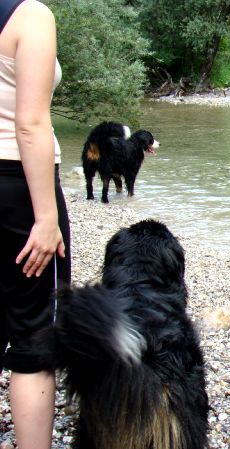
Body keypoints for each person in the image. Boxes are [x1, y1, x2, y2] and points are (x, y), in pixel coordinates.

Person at [0, 1, 71, 448]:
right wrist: (46, 218)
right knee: (33, 334)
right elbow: (29, 123)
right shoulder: (29, 15)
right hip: (15, 188)